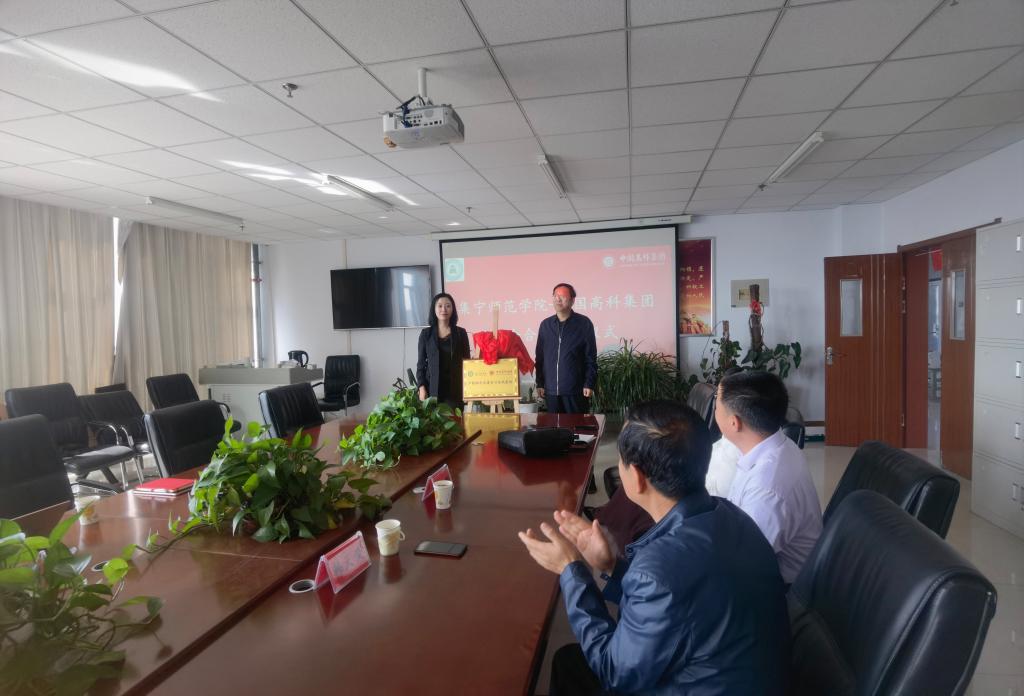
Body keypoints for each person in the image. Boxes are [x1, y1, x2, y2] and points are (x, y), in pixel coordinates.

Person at [518, 401, 789, 696]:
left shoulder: (658, 570)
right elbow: (676, 600)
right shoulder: (733, 515)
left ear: (636, 477)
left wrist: (571, 571)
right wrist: (612, 566)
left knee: (571, 665)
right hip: (741, 674)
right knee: (569, 662)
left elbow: (614, 673)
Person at [715, 370, 822, 585]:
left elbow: (739, 563)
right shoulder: (773, 444)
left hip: (777, 588)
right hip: (750, 557)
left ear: (734, 423)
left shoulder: (767, 489)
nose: (714, 411)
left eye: (716, 407)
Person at [535, 283, 598, 414]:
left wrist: (589, 383)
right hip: (551, 391)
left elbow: (590, 357)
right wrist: (540, 383)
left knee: (576, 425)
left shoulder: (584, 324)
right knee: (554, 426)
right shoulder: (546, 325)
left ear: (572, 300)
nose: (558, 299)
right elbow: (540, 357)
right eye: (555, 296)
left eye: (562, 296)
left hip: (575, 390)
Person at [416, 292, 471, 411]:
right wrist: (421, 388)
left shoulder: (461, 333)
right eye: (440, 306)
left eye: (448, 305)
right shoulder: (426, 334)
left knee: (455, 421)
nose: (444, 309)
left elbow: (467, 364)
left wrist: (468, 389)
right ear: (434, 309)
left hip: (455, 391)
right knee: (433, 422)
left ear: (453, 309)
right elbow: (421, 365)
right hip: (432, 390)